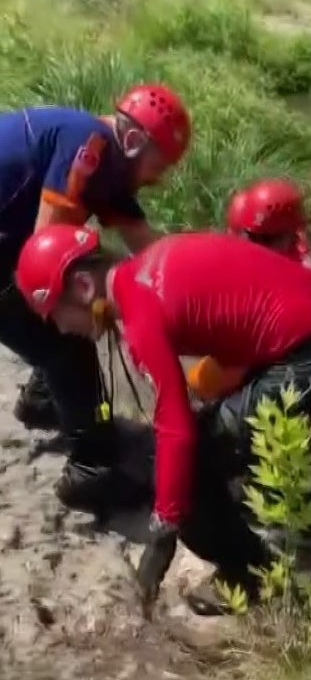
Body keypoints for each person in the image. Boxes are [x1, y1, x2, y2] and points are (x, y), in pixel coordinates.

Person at [15, 224, 311, 615]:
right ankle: (292, 510)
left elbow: (174, 429)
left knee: (188, 481)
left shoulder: (140, 309)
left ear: (82, 287)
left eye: (56, 315)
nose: (61, 328)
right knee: (211, 442)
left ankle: (257, 579)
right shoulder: (143, 270)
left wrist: (164, 527)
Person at [0, 85, 191, 509]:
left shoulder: (106, 162)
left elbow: (152, 250)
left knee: (64, 323)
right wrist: (100, 308)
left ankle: (44, 401)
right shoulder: (89, 144)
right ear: (135, 141)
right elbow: (46, 252)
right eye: (157, 166)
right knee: (70, 336)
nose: (156, 180)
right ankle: (92, 470)